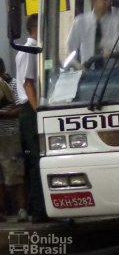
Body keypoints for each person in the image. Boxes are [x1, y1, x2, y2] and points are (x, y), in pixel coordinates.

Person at [15, 13, 47, 223]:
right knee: (38, 160)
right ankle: (38, 209)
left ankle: (42, 207)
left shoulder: (29, 49)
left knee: (38, 160)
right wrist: (39, 111)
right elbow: (28, 84)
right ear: (36, 28)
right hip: (30, 109)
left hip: (29, 109)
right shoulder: (29, 50)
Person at [66, 0, 119, 69]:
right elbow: (70, 51)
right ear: (93, 0)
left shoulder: (116, 22)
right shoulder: (80, 22)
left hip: (110, 75)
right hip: (88, 74)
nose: (109, 1)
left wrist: (113, 52)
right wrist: (77, 65)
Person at [0, 57, 28, 222]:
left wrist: (3, 114)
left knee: (15, 174)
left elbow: (20, 108)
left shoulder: (12, 83)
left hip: (10, 136)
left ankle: (22, 209)